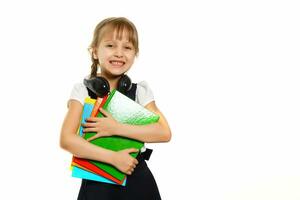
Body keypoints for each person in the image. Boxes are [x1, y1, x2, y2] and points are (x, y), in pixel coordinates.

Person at [60, 17, 172, 200]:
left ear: (135, 53)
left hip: (139, 183)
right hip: (98, 185)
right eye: (111, 45)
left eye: (127, 47)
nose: (119, 53)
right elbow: (67, 139)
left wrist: (115, 128)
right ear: (95, 51)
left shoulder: (140, 92)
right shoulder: (82, 91)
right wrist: (113, 158)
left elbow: (163, 132)